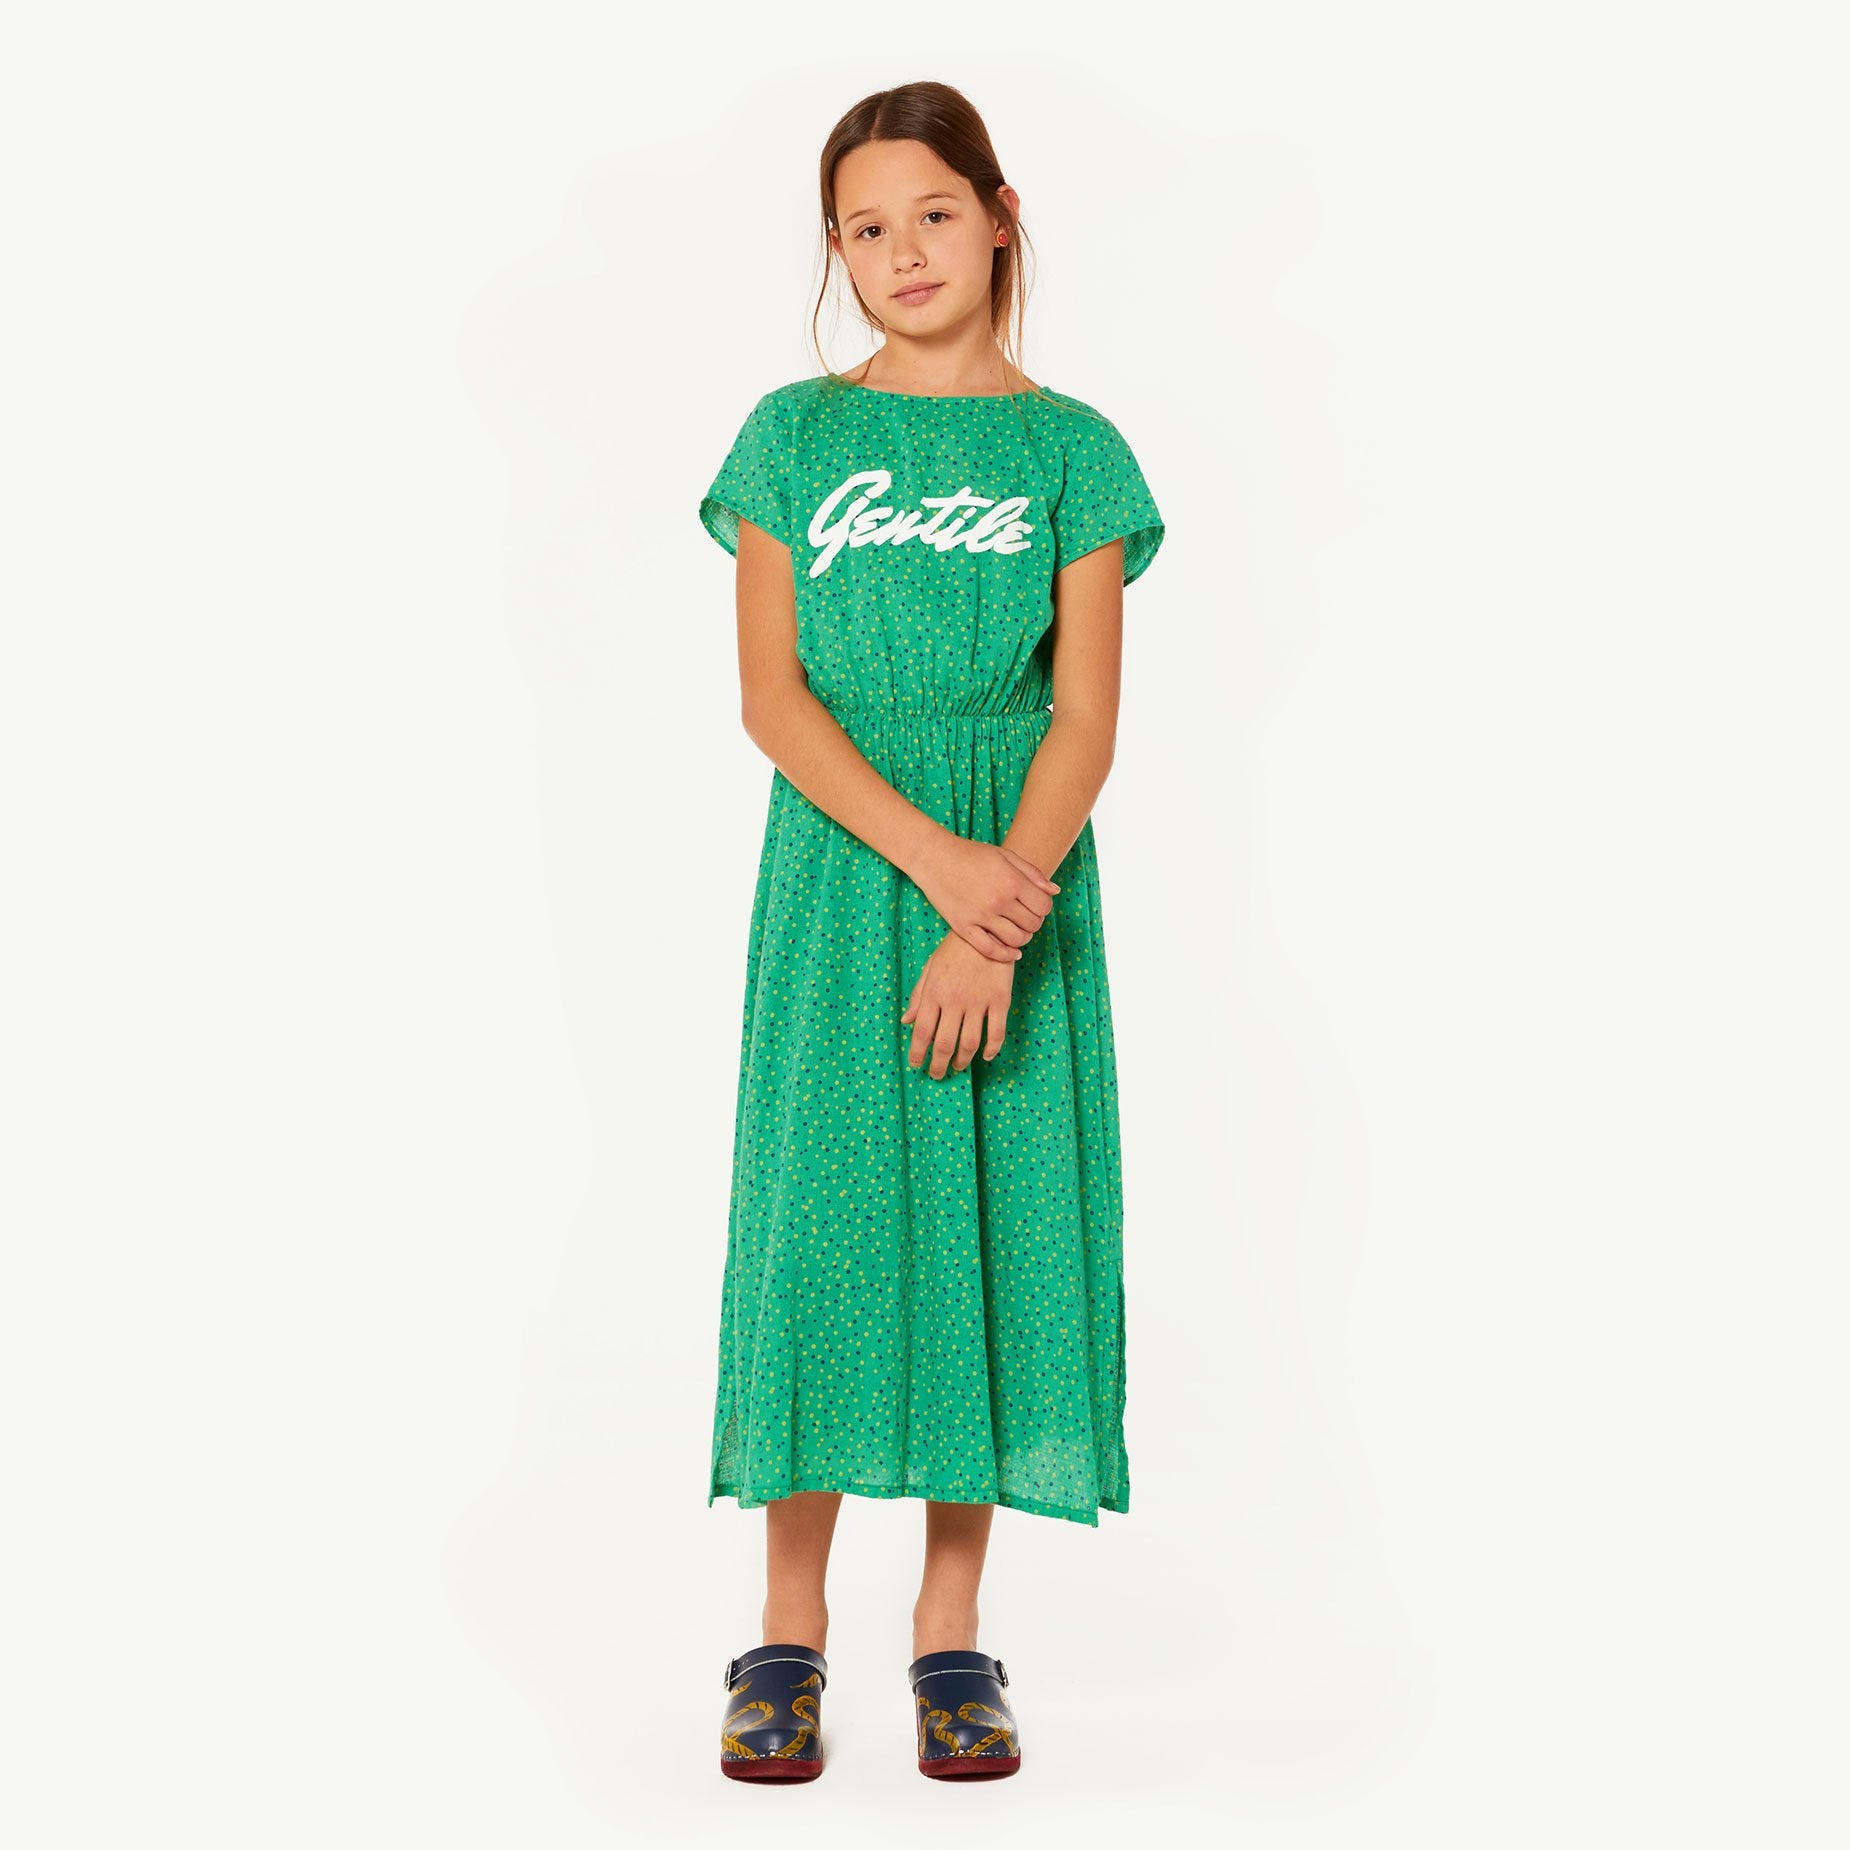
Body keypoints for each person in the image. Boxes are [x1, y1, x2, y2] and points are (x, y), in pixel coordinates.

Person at [698, 80, 1165, 1783]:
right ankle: (785, 1630)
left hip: (1020, 889)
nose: (901, 253)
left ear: (1000, 215)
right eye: (864, 228)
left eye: (933, 214)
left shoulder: (1072, 452)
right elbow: (772, 698)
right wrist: (935, 868)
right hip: (842, 878)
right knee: (819, 1230)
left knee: (986, 1228)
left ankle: (950, 1631)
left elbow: (1083, 720)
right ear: (835, 250)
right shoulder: (790, 437)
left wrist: (996, 913)